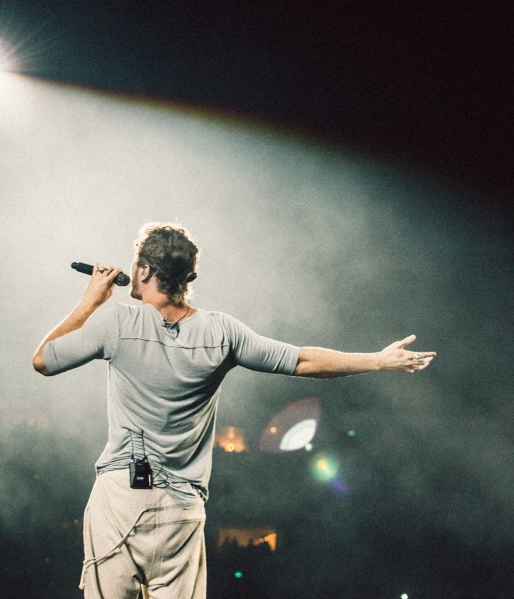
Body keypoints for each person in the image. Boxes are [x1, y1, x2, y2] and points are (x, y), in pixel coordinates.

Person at [32, 223, 435, 599]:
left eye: (136, 262)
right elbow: (303, 362)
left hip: (121, 499)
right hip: (182, 509)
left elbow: (44, 360)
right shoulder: (222, 332)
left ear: (144, 271)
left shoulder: (115, 322)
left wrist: (89, 302)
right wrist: (378, 360)